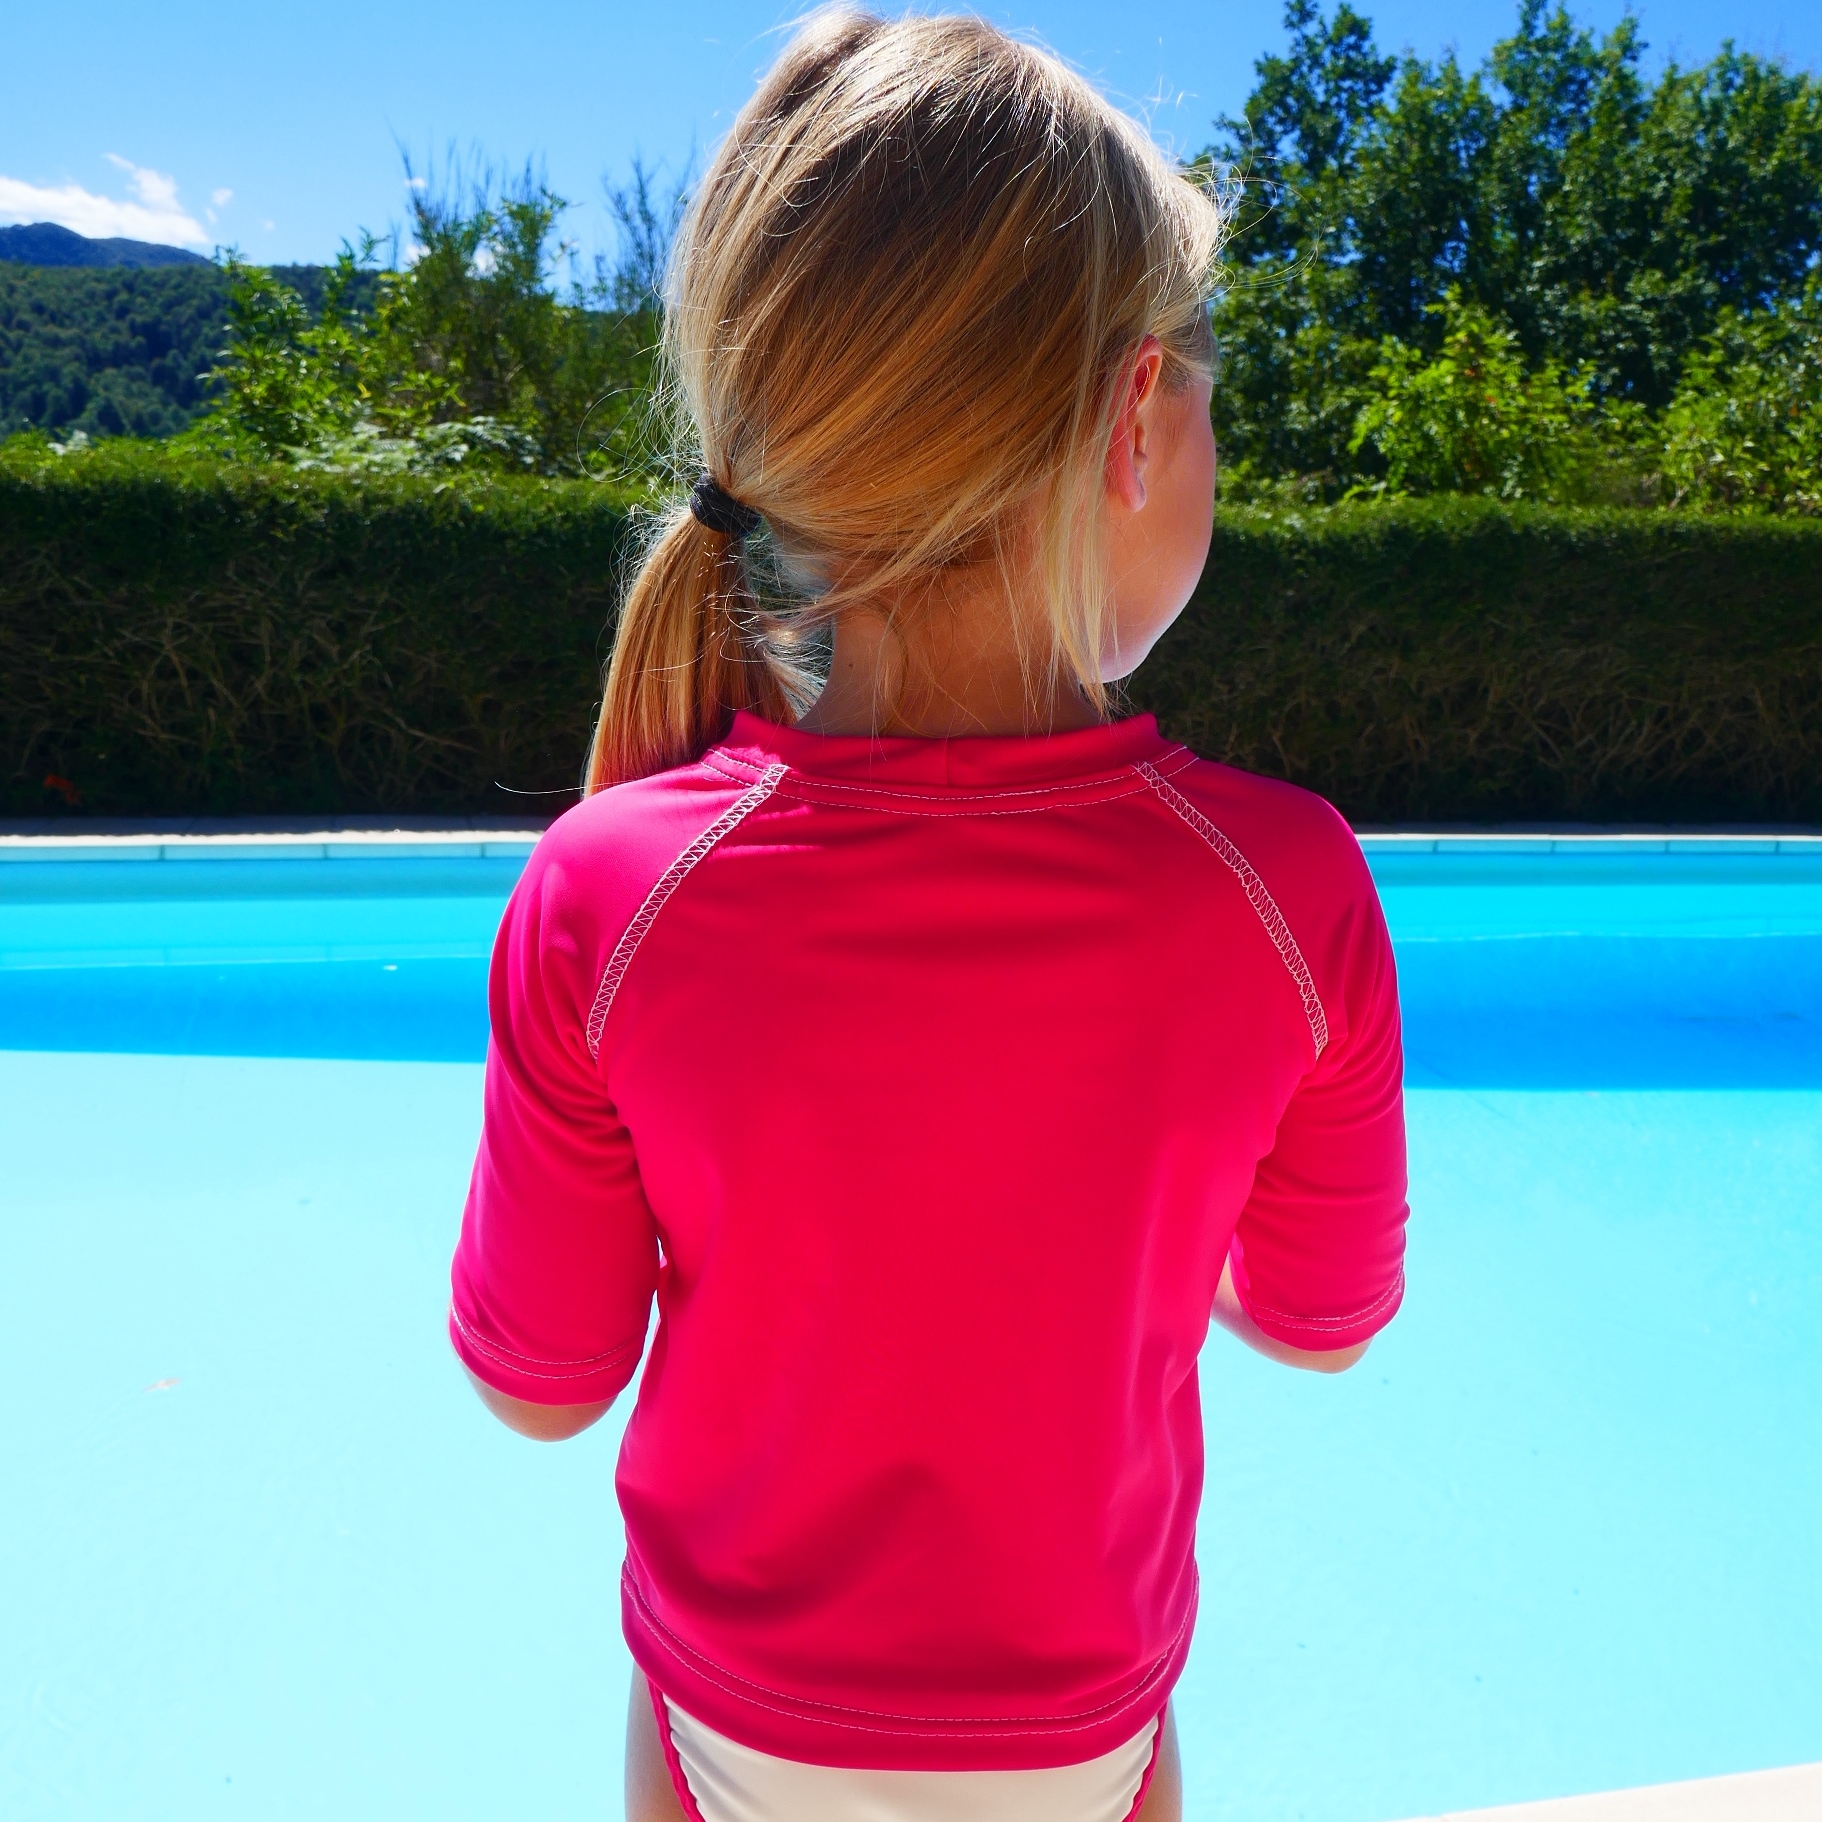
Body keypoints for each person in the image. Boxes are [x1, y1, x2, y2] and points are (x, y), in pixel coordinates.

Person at [448, 11, 1408, 1820]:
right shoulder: (1285, 891)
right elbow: (1320, 1323)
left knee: (658, 1673)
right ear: (1135, 417)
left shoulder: (607, 891)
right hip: (1081, 1733)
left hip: (736, 1732)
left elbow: (544, 1387)